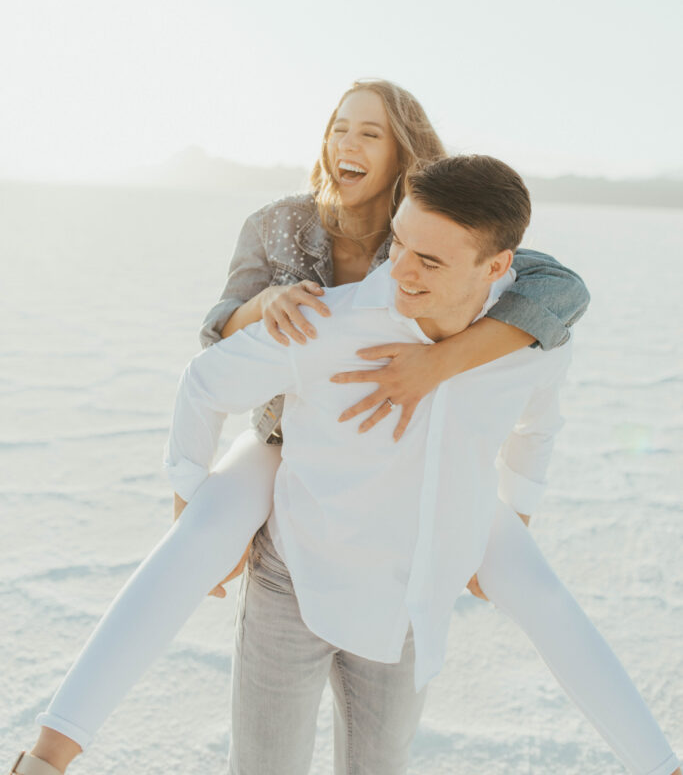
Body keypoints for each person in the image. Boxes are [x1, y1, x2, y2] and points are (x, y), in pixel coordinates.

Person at [11, 81, 590, 775]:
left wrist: (438, 365)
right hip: (277, 434)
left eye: (368, 133)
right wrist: (264, 302)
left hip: (370, 452)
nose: (345, 143)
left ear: (402, 149)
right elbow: (215, 330)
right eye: (338, 128)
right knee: (196, 536)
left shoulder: (427, 226)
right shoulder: (277, 221)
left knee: (528, 588)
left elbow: (559, 291)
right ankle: (48, 756)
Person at [166, 155, 680, 775]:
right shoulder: (329, 322)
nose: (399, 271)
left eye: (429, 261)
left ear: (496, 268)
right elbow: (203, 383)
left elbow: (536, 426)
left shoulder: (530, 351)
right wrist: (191, 502)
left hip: (408, 601)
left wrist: (515, 515)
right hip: (292, 585)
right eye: (400, 244)